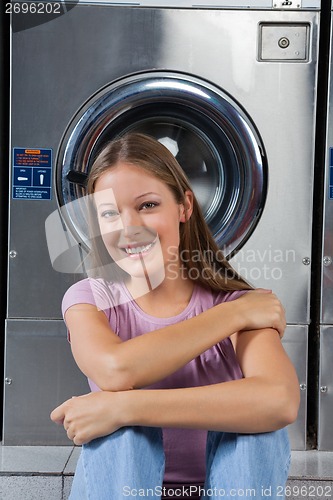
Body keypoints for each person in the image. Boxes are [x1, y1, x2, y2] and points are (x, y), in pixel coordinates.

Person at [51, 133, 300, 500]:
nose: (129, 227)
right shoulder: (91, 298)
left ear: (184, 207)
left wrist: (123, 407)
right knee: (124, 434)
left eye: (148, 205)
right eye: (109, 213)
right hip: (122, 490)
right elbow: (114, 370)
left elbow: (280, 400)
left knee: (259, 432)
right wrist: (232, 316)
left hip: (223, 490)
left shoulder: (239, 302)